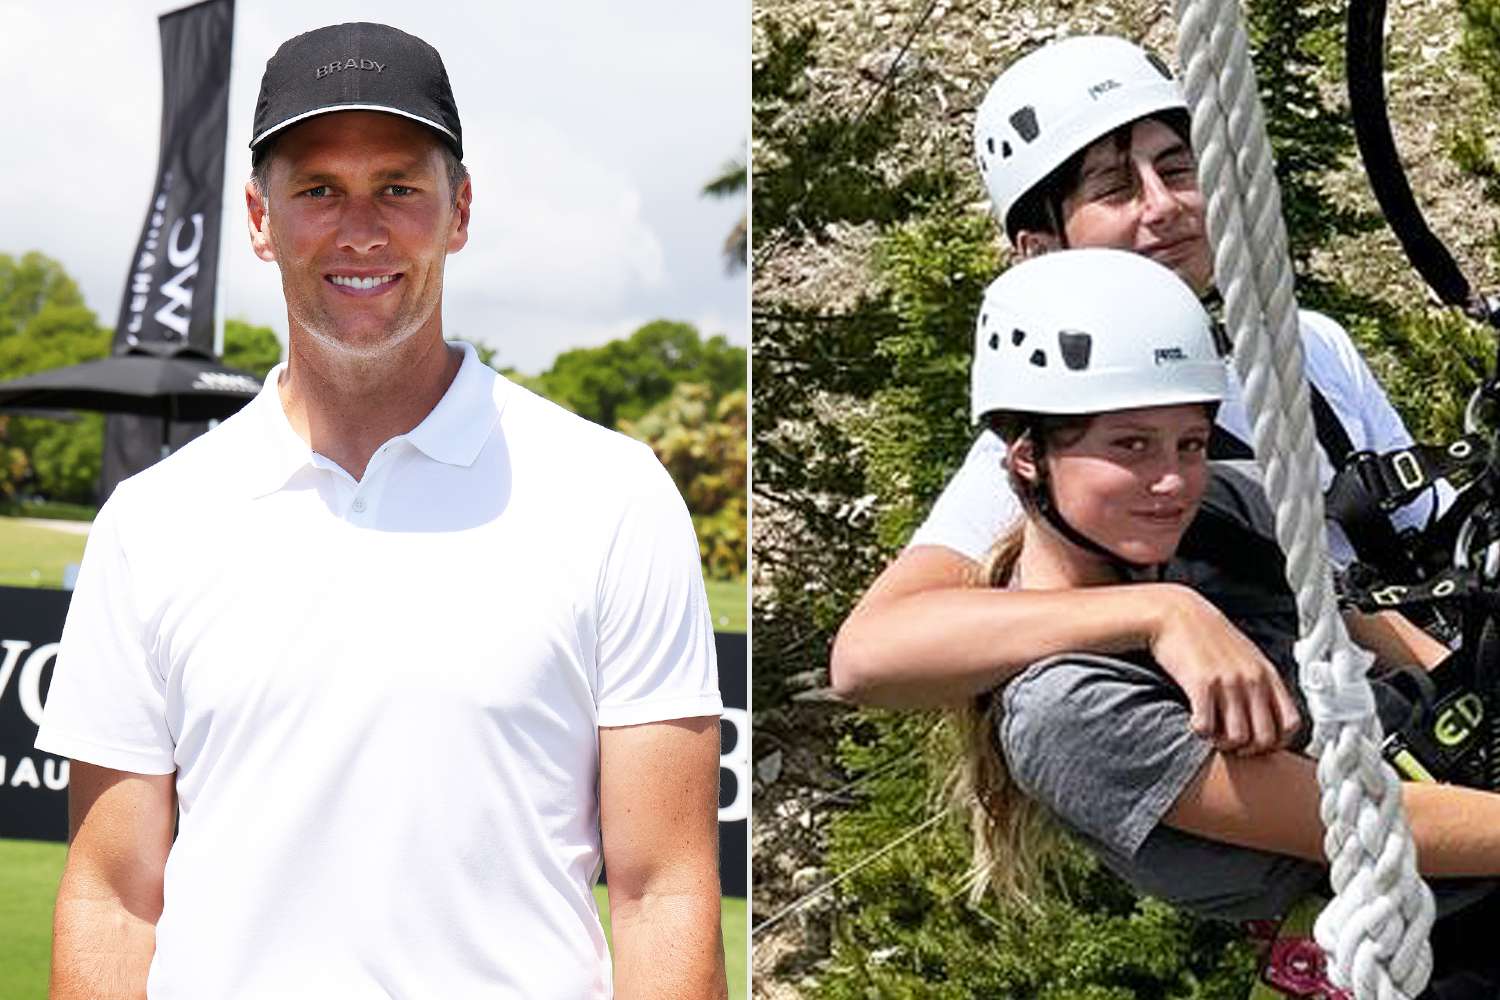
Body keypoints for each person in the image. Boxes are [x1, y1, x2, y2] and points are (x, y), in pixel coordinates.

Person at [36, 23, 726, 1000]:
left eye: (398, 186)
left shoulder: (610, 496)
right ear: (260, 217)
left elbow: (663, 895)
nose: (361, 229)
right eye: (319, 189)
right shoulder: (151, 524)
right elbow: (112, 900)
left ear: (460, 210)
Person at [831, 34, 1448, 744]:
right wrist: (1161, 613)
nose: (1164, 206)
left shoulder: (1306, 347)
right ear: (1041, 248)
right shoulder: (1055, 446)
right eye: (1116, 188)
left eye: (1178, 169)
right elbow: (869, 654)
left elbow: (1423, 531)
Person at [959, 248, 1500, 997]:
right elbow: (1357, 827)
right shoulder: (1065, 710)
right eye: (1130, 446)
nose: (1172, 480)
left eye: (1191, 442)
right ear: (1027, 458)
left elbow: (1405, 649)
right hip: (1430, 936)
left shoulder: (1219, 516)